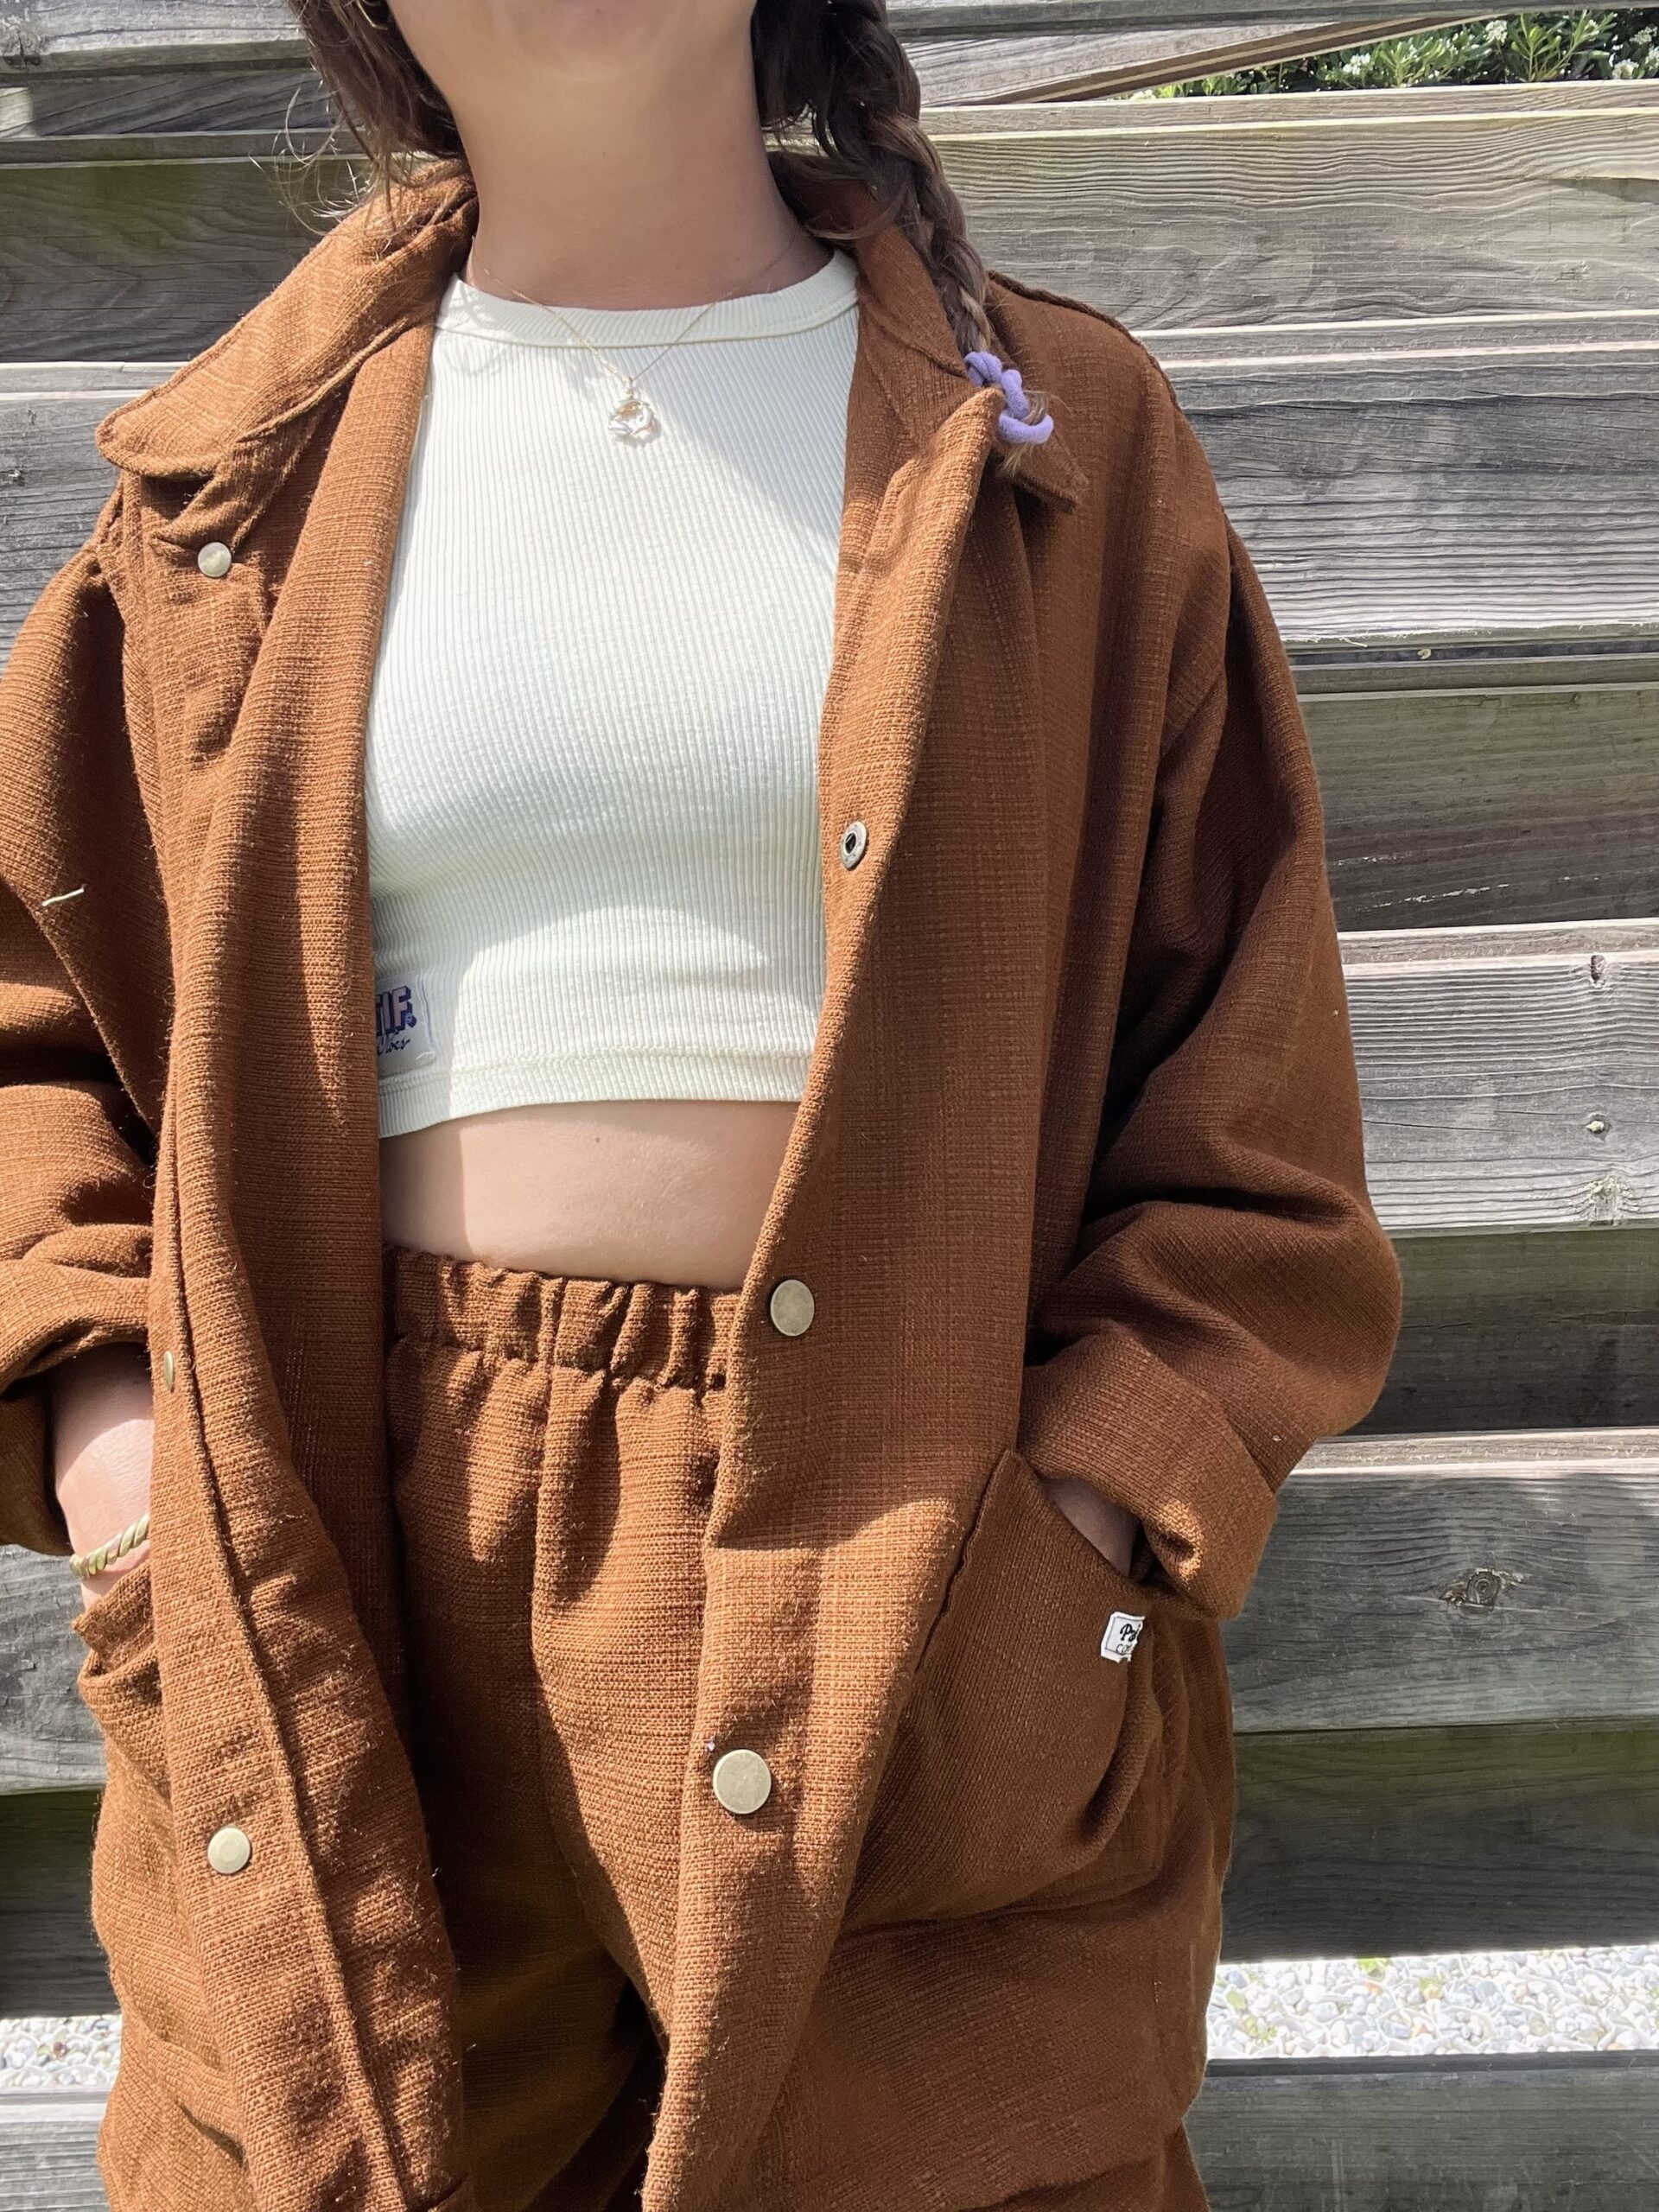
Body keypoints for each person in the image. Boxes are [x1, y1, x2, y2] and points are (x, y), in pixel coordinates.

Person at [0, 2, 1403, 2207]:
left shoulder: (1064, 449)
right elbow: (37, 1049)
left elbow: (1251, 1120)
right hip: (332, 1587)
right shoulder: (223, 490)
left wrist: (1079, 1533)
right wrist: (132, 1488)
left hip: (923, 1566)